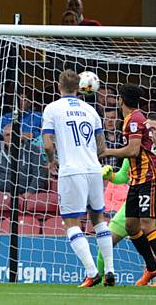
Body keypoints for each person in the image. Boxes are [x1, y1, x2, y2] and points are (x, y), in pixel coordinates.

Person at [97, 114, 156, 286]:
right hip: (134, 200)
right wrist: (110, 175)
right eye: (146, 128)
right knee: (106, 238)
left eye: (153, 129)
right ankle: (98, 278)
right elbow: (123, 177)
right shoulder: (134, 150)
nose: (148, 131)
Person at [41, 70, 114, 287]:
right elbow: (102, 146)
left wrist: (52, 160)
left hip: (71, 171)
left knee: (72, 223)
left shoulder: (52, 108)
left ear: (58, 86)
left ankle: (92, 272)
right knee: (99, 220)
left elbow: (46, 144)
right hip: (93, 169)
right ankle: (109, 269)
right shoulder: (90, 109)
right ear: (80, 87)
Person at [0, 124, 47, 195]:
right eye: (7, 135)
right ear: (3, 137)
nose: (11, 137)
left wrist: (30, 192)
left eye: (14, 134)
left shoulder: (32, 150)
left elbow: (39, 173)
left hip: (23, 194)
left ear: (21, 136)